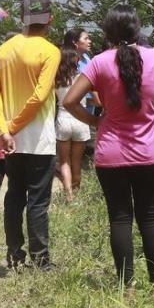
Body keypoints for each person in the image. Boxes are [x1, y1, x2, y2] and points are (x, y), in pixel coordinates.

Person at [63, 4, 154, 286]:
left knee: (120, 219)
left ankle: (127, 287)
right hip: (149, 152)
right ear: (137, 27)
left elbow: (69, 101)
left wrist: (97, 122)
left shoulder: (99, 62)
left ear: (109, 31)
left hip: (111, 155)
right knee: (150, 218)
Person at [0, 0, 60, 271]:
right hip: (38, 139)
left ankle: (15, 255)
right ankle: (41, 261)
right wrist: (13, 128)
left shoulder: (4, 50)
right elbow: (40, 96)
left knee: (14, 195)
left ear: (22, 18)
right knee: (38, 202)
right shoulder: (50, 51)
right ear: (50, 19)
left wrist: (4, 130)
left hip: (10, 142)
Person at [53, 45, 90, 202]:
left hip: (63, 119)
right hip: (80, 119)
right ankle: (77, 190)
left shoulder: (57, 79)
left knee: (64, 161)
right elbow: (95, 98)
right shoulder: (82, 77)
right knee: (77, 161)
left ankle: (69, 194)